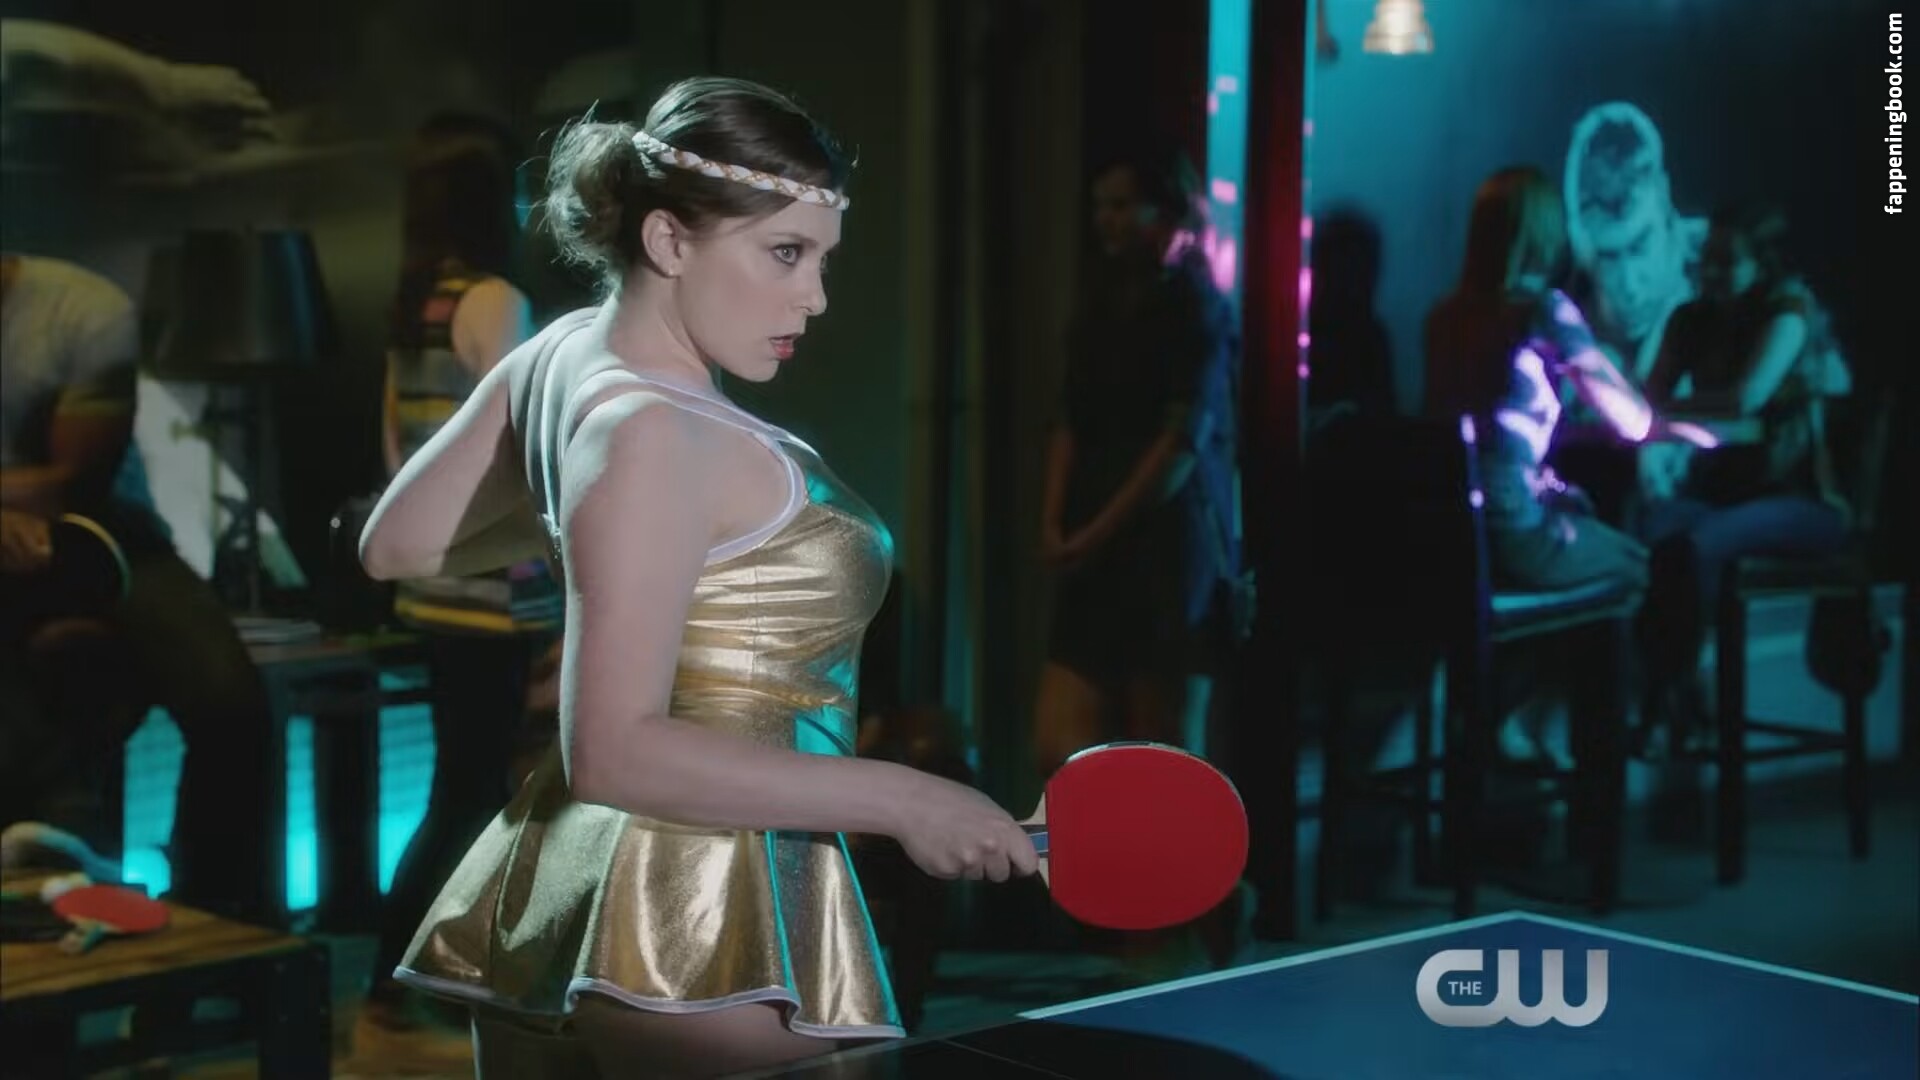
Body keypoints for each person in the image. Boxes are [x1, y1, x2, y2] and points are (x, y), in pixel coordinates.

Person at [358, 76, 1037, 1078]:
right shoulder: (659, 431)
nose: (814, 296)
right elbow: (614, 751)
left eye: (822, 259)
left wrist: (607, 551)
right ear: (669, 241)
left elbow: (398, 545)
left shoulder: (560, 356)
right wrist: (906, 799)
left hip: (567, 886)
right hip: (701, 907)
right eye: (786, 253)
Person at [360, 112, 560, 1042]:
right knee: (475, 791)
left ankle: (412, 975)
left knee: (461, 784)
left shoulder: (418, 311)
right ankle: (420, 973)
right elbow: (525, 454)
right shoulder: (495, 302)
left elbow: (398, 456)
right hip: (495, 591)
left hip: (434, 588)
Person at [0, 252, 277, 922]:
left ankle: (211, 912)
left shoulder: (82, 309)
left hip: (107, 533)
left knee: (231, 704)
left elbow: (71, 482)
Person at [1423, 166, 1659, 763]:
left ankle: (1501, 719)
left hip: (1448, 536)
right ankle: (1590, 756)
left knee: (1568, 555)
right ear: (1546, 235)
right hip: (1512, 534)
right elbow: (1633, 422)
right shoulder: (1544, 311)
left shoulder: (1444, 317)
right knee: (1634, 567)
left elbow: (1474, 431)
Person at [1032, 143, 1241, 779]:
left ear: (1167, 213)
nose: (1108, 220)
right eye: (1102, 206)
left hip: (1163, 549)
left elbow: (1177, 449)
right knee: (1060, 746)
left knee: (1164, 749)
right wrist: (1055, 521)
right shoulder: (1098, 307)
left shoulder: (1194, 308)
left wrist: (1088, 533)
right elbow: (1071, 421)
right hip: (1096, 540)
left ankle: (1185, 851)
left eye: (1123, 206)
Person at [1636, 205, 1853, 751]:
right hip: (1719, 493)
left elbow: (1746, 399)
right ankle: (1682, 689)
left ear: (1761, 265)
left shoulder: (1787, 310)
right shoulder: (1690, 319)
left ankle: (1670, 700)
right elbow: (1646, 399)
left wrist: (1670, 408)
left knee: (1696, 544)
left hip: (1799, 498)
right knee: (1644, 534)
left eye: (1726, 262)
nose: (1710, 273)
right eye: (1705, 260)